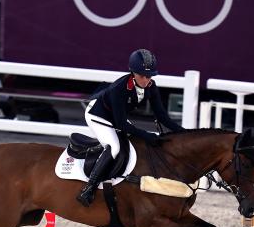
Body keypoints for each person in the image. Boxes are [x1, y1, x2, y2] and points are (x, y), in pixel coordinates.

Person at [76, 49, 183, 206]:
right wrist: (147, 135)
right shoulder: (119, 89)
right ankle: (88, 189)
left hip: (116, 117)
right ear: (133, 72)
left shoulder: (151, 87)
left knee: (136, 145)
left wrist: (184, 132)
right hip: (98, 115)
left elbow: (162, 116)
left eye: (150, 76)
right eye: (143, 76)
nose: (147, 80)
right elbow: (121, 125)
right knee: (114, 147)